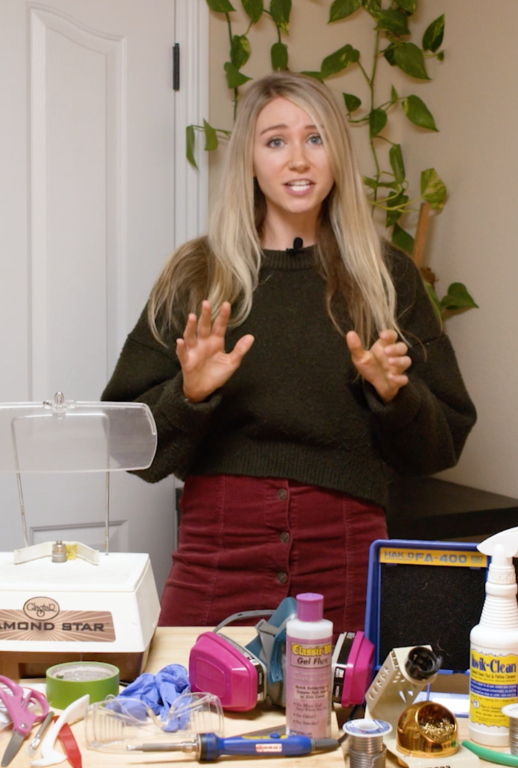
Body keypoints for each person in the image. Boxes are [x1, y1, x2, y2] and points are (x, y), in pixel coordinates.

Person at [101, 72, 475, 632]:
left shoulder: (387, 276)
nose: (298, 159)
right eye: (276, 141)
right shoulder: (196, 274)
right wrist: (190, 394)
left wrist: (394, 395)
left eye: (315, 138)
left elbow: (442, 444)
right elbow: (127, 443)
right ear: (249, 160)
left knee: (337, 718)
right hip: (218, 551)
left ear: (337, 157)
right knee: (189, 713)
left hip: (346, 556)